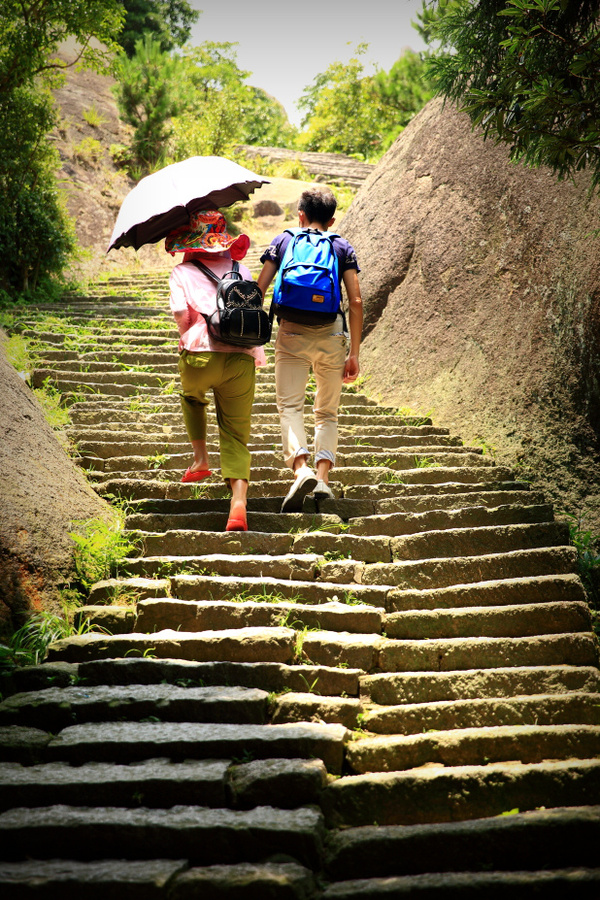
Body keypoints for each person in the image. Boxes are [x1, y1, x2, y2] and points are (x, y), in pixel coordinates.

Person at [257, 188, 363, 513]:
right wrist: (354, 353)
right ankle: (322, 479)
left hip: (291, 332)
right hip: (332, 334)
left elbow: (259, 290)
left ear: (299, 215)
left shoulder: (284, 241)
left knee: (290, 406)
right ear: (331, 220)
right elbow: (356, 302)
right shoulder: (340, 245)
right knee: (326, 412)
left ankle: (299, 468)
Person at [166, 210, 267, 532]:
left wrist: (188, 334)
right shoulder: (242, 269)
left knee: (193, 398)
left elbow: (182, 313)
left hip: (200, 354)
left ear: (191, 243)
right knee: (236, 433)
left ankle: (200, 459)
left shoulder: (182, 271)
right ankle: (238, 502)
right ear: (225, 242)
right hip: (241, 358)